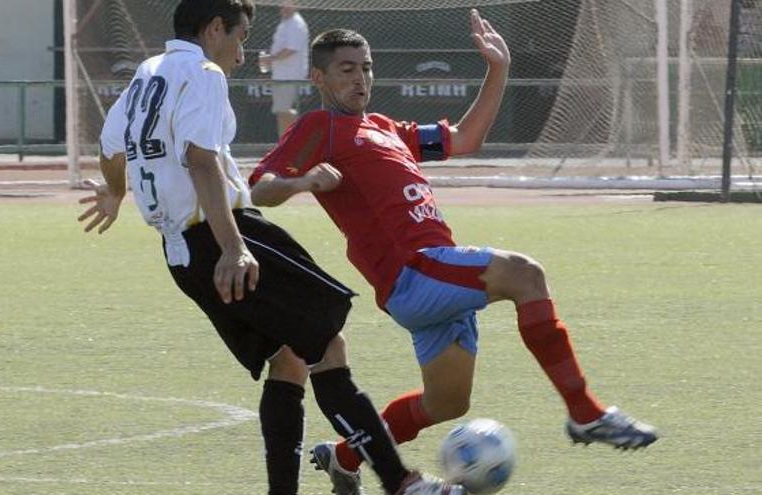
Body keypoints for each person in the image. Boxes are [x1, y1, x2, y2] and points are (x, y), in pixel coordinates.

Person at [249, 11, 659, 494]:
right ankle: (585, 414)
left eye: (367, 67)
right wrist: (303, 181)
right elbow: (261, 188)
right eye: (347, 69)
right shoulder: (320, 126)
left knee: (447, 403)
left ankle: (342, 456)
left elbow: (466, 139)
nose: (361, 78)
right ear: (318, 77)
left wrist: (497, 70)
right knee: (526, 275)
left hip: (434, 277)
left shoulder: (384, 127)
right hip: (415, 272)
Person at [78, 1, 465, 493]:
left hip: (180, 253)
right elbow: (202, 162)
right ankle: (402, 482)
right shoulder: (203, 72)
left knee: (289, 360)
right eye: (240, 36)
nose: (243, 51)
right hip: (221, 234)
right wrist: (235, 247)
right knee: (327, 346)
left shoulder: (147, 74)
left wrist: (115, 190)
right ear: (215, 29)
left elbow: (112, 149)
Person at [258, 0, 309, 137]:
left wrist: (270, 59)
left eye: (288, 3)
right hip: (281, 75)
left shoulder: (296, 24)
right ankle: (285, 143)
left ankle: (298, 139)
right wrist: (271, 60)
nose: (283, 6)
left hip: (289, 76)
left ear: (295, 5)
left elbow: (290, 50)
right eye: (282, 3)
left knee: (284, 110)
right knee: (281, 111)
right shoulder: (285, 23)